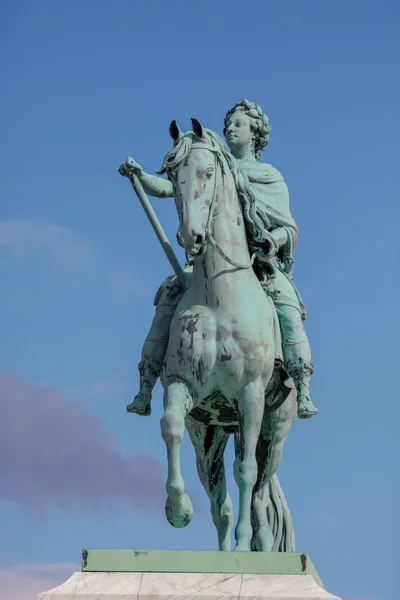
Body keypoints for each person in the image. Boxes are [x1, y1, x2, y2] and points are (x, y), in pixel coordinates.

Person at [119, 100, 317, 419]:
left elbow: (288, 228)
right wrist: (140, 174)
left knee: (287, 303)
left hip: (259, 263)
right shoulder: (211, 165)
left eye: (238, 124)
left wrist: (271, 239)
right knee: (168, 295)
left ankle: (302, 384)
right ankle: (146, 384)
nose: (230, 129)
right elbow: (171, 188)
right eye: (228, 124)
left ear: (255, 133)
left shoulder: (269, 175)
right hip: (207, 261)